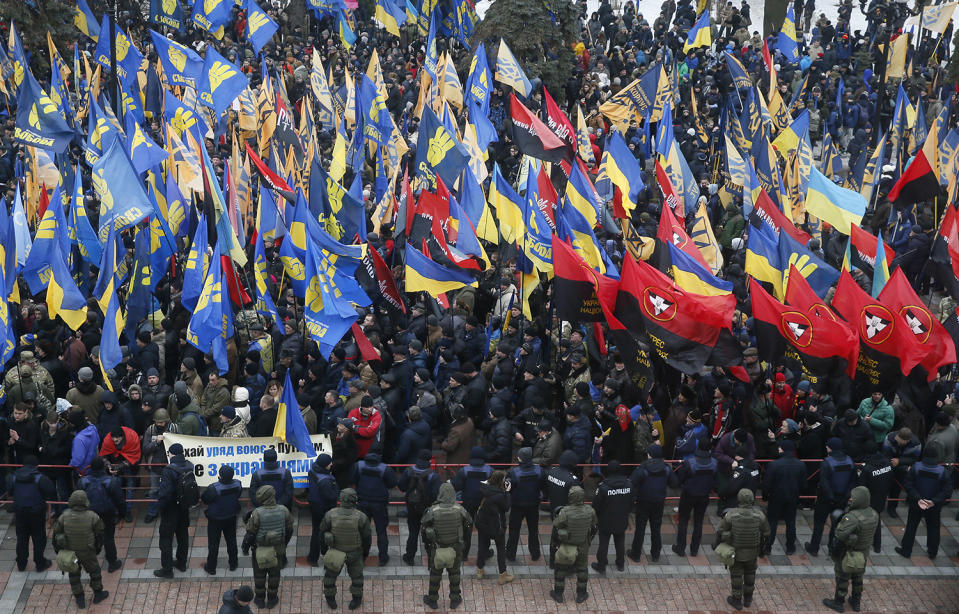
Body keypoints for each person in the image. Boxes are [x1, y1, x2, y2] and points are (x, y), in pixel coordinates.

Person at [822, 486, 880, 613]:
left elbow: (840, 535)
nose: (850, 499)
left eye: (853, 498)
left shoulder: (853, 517)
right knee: (858, 576)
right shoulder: (874, 513)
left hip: (849, 552)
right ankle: (856, 601)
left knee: (843, 576)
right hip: (863, 552)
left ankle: (838, 602)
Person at [52, 490, 108, 609]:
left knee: (73, 575)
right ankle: (98, 594)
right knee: (95, 572)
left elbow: (56, 533)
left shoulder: (64, 516)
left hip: (70, 552)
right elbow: (100, 534)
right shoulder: (93, 516)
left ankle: (80, 599)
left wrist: (58, 550)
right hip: (88, 551)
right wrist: (98, 548)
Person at [420, 482, 472, 610]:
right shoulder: (460, 510)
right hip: (455, 548)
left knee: (435, 574)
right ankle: (454, 599)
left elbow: (424, 525)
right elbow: (469, 524)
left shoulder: (433, 510)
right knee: (454, 574)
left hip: (438, 548)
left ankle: (432, 599)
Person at [895, 446, 952, 560]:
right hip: (933, 506)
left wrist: (918, 498)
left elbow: (908, 485)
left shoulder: (916, 467)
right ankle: (932, 552)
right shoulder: (942, 471)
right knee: (934, 528)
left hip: (916, 503)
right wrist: (934, 501)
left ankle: (906, 550)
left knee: (911, 526)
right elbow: (947, 491)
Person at [242, 485, 294, 609]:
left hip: (260, 550)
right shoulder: (284, 510)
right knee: (274, 575)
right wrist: (284, 544)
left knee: (259, 575)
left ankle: (259, 599)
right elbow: (289, 530)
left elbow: (250, 533)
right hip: (278, 549)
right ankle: (272, 599)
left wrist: (245, 548)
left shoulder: (257, 513)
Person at [718, 489, 769, 610]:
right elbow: (767, 532)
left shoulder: (731, 515)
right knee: (750, 574)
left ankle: (736, 600)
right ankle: (747, 599)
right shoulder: (760, 515)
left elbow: (720, 530)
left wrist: (728, 536)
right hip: (753, 551)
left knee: (736, 575)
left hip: (736, 551)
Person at [321, 488, 371, 610]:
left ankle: (331, 600)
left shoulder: (330, 514)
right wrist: (365, 554)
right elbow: (367, 538)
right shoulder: (362, 517)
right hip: (355, 552)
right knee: (357, 578)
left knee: (329, 578)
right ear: (355, 501)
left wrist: (324, 551)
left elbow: (322, 532)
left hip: (335, 552)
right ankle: (356, 600)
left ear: (341, 499)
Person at [805, 438, 855, 557]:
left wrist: (831, 498)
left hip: (825, 499)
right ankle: (832, 548)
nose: (826, 448)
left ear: (831, 448)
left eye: (827, 446)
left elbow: (824, 483)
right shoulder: (850, 461)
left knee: (819, 523)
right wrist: (844, 497)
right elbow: (852, 482)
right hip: (842, 499)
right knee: (837, 525)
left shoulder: (827, 462)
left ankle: (814, 548)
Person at [550, 485, 598, 604]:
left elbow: (556, 524)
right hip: (583, 544)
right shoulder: (590, 510)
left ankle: (558, 594)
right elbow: (594, 526)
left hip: (567, 545)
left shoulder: (566, 511)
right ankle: (581, 595)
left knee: (560, 569)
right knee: (582, 570)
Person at [154, 442, 195, 578]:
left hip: (170, 509)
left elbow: (165, 493)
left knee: (166, 540)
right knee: (183, 536)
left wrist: (160, 507)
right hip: (184, 508)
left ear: (171, 454)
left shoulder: (169, 470)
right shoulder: (189, 465)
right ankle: (181, 563)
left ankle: (167, 569)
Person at [78, 457, 125, 572]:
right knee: (108, 538)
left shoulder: (83, 481)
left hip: (88, 514)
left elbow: (77, 498)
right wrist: (122, 514)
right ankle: (112, 562)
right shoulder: (111, 481)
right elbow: (120, 500)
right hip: (107, 513)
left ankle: (90, 562)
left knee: (90, 537)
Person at [9, 454, 55, 572]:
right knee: (39, 538)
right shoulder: (40, 478)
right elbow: (51, 491)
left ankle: (21, 563)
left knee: (22, 538)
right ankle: (40, 564)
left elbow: (10, 491)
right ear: (36, 465)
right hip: (37, 512)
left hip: (19, 511)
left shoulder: (14, 477)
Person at [672, 438, 717, 557]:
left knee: (683, 520)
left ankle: (680, 548)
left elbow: (680, 477)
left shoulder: (690, 462)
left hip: (689, 494)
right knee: (698, 522)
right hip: (704, 496)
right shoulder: (714, 463)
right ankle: (694, 549)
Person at [352, 447, 397, 565]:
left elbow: (353, 479)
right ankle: (383, 558)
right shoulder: (385, 469)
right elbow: (392, 483)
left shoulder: (359, 465)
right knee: (381, 531)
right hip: (379, 504)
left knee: (363, 531)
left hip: (362, 502)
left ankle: (362, 557)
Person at [762, 439, 806, 555]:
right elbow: (804, 484)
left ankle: (768, 546)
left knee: (772, 523)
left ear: (783, 449)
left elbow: (767, 483)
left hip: (776, 498)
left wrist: (765, 496)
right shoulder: (800, 464)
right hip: (792, 497)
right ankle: (790, 547)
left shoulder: (774, 464)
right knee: (791, 523)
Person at [629, 443, 671, 562]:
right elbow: (674, 482)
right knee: (656, 528)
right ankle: (655, 554)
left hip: (643, 502)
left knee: (640, 528)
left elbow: (632, 481)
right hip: (659, 502)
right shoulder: (666, 468)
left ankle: (636, 554)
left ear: (650, 455)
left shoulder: (643, 468)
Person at [399, 449, 441, 565]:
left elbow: (401, 486)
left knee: (413, 533)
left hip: (412, 507)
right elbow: (436, 494)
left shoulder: (409, 471)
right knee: (428, 534)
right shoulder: (434, 476)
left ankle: (409, 557)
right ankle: (431, 558)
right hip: (427, 509)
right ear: (429, 461)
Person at [591, 459, 632, 573]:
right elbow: (631, 502)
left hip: (605, 520)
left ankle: (601, 565)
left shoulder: (603, 487)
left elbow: (596, 506)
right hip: (622, 519)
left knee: (603, 543)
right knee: (620, 542)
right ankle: (620, 564)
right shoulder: (628, 484)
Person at [474, 469, 513, 584]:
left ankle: (480, 571)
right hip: (497, 527)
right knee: (500, 549)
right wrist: (507, 492)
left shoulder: (483, 489)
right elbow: (506, 507)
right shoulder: (500, 495)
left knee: (482, 546)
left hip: (483, 524)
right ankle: (502, 575)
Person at [202, 465, 242, 574]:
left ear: (220, 476)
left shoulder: (214, 488)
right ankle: (233, 564)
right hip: (231, 516)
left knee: (214, 544)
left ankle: (211, 567)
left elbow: (205, 499)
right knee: (231, 541)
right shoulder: (238, 484)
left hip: (215, 519)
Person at [505, 446, 544, 562]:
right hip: (533, 505)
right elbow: (543, 485)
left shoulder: (513, 473)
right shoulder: (539, 470)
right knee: (533, 530)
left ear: (520, 459)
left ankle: (511, 554)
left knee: (514, 531)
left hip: (517, 506)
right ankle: (535, 553)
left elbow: (508, 489)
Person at [451, 446, 491, 557]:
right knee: (484, 529)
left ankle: (464, 554)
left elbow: (457, 486)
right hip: (484, 504)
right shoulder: (489, 470)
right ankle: (484, 552)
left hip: (467, 503)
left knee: (466, 529)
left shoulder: (464, 470)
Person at [141, 408, 179, 523]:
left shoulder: (175, 429)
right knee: (154, 491)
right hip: (155, 466)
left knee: (172, 490)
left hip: (171, 467)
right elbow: (145, 449)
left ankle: (169, 512)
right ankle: (152, 512)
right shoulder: (151, 430)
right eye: (157, 422)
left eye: (161, 422)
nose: (159, 424)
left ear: (167, 421)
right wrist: (156, 442)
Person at [857, 441, 893, 553]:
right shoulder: (887, 464)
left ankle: (861, 544)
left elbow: (861, 486)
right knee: (876, 520)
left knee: (862, 521)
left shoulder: (867, 468)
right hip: (881, 497)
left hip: (868, 498)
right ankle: (877, 546)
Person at [306, 453, 340, 567]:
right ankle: (326, 555)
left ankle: (312, 558)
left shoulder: (312, 471)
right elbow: (331, 496)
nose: (332, 464)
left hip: (314, 504)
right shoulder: (326, 480)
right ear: (325, 465)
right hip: (324, 508)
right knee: (327, 532)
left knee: (316, 531)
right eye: (329, 463)